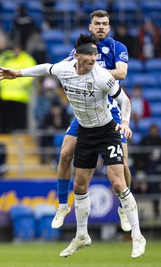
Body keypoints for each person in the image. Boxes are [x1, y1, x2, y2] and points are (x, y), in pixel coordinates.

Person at [0, 34, 146, 258]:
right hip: (85, 131)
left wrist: (124, 122)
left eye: (95, 54)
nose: (93, 58)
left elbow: (125, 100)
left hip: (107, 131)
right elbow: (46, 68)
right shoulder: (64, 69)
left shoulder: (103, 76)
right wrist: (18, 73)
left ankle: (137, 236)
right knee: (80, 186)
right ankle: (82, 236)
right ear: (77, 56)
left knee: (117, 182)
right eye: (89, 54)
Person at [50, 10, 133, 233]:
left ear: (109, 26)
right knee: (66, 152)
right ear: (90, 26)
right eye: (97, 24)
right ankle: (62, 205)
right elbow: (68, 66)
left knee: (123, 163)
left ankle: (124, 208)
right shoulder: (80, 50)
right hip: (85, 111)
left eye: (105, 24)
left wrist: (94, 71)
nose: (101, 27)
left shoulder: (117, 48)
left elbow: (122, 73)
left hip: (111, 109)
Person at [0, 44, 36, 133]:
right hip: (5, 95)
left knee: (19, 122)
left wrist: (21, 84)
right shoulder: (6, 58)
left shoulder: (27, 59)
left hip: (20, 96)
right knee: (5, 120)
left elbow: (32, 73)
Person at [133, 124, 161, 217]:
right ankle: (133, 212)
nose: (153, 131)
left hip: (157, 171)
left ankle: (156, 210)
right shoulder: (144, 141)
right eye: (152, 130)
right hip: (145, 170)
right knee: (134, 187)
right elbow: (139, 159)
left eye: (155, 129)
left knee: (156, 188)